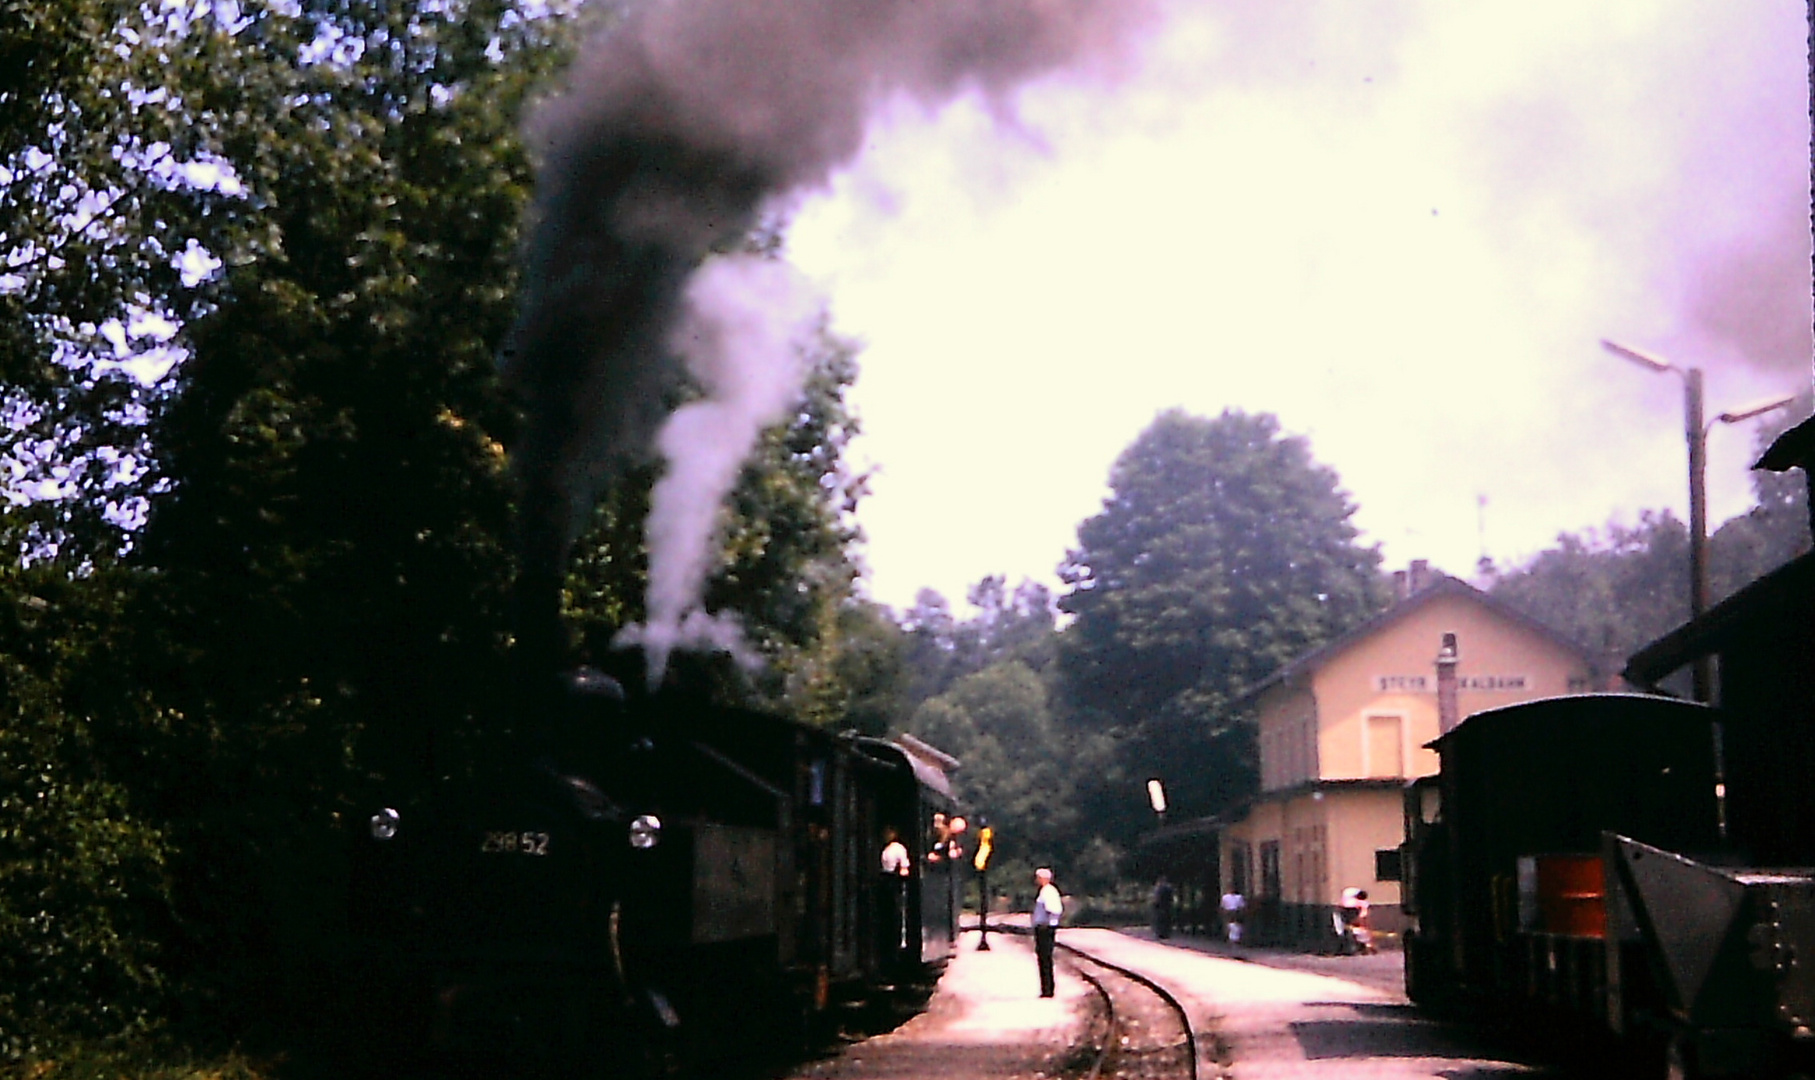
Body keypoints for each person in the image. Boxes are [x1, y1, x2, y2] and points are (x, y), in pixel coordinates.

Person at [879, 828, 910, 956]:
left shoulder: (898, 848)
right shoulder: (886, 849)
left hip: (893, 878)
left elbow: (904, 867)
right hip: (886, 878)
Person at [1032, 867, 1063, 997]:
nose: (1036, 880)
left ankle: (1048, 990)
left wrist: (1046, 920)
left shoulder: (1048, 891)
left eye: (1038, 877)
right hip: (1044, 928)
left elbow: (1054, 909)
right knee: (1043, 958)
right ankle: (1046, 988)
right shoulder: (1046, 891)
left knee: (1045, 959)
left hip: (1045, 929)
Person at [1151, 876, 1176, 940]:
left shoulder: (1158, 888)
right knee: (1167, 920)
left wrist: (1155, 904)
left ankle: (1160, 933)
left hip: (1160, 906)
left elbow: (1156, 898)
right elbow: (1171, 898)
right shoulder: (1169, 888)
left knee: (1160, 920)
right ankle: (1166, 934)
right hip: (1167, 906)